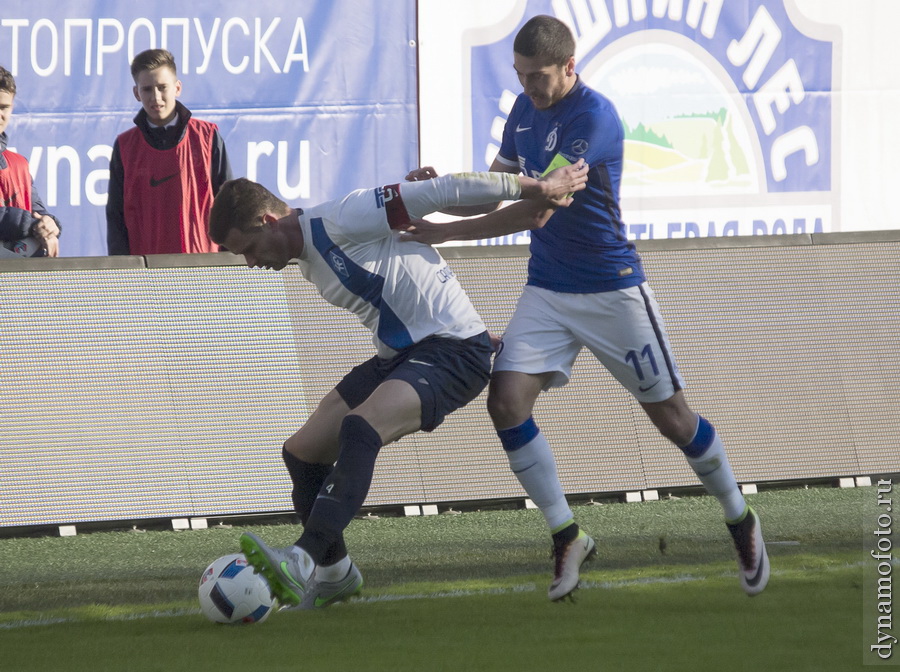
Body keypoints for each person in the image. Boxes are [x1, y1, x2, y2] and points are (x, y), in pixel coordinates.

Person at [403, 14, 769, 601]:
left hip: (611, 288)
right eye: (521, 77)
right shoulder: (524, 111)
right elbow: (495, 183)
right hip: (548, 287)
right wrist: (436, 190)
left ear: (569, 66)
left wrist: (444, 232)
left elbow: (536, 210)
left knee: (673, 419)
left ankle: (739, 518)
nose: (529, 88)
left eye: (539, 77)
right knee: (506, 400)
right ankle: (568, 534)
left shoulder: (592, 118)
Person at [210, 162, 588, 609]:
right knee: (301, 454)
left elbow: (447, 189)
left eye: (249, 249)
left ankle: (302, 559)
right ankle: (335, 575)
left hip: (452, 352)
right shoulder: (308, 256)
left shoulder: (340, 218)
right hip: (405, 353)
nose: (252, 263)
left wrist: (539, 186)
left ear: (268, 221)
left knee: (360, 429)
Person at [106, 49, 232, 256]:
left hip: (204, 269)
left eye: (162, 87)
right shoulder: (125, 146)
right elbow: (116, 217)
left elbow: (227, 208)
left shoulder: (207, 137)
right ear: (136, 93)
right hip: (146, 273)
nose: (156, 97)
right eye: (147, 89)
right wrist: (124, 271)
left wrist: (229, 263)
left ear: (177, 88)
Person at [0, 65, 61, 258]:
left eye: (4, 107)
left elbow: (38, 212)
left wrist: (49, 225)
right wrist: (34, 225)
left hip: (17, 282)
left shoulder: (18, 164)